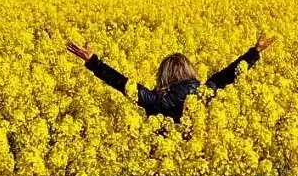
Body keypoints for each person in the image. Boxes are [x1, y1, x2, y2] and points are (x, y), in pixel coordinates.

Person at [67, 34, 274, 123]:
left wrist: (94, 62)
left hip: (164, 161)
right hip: (199, 158)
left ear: (163, 74)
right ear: (189, 70)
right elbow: (227, 76)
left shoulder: (156, 100)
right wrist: (254, 53)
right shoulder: (204, 92)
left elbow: (123, 84)